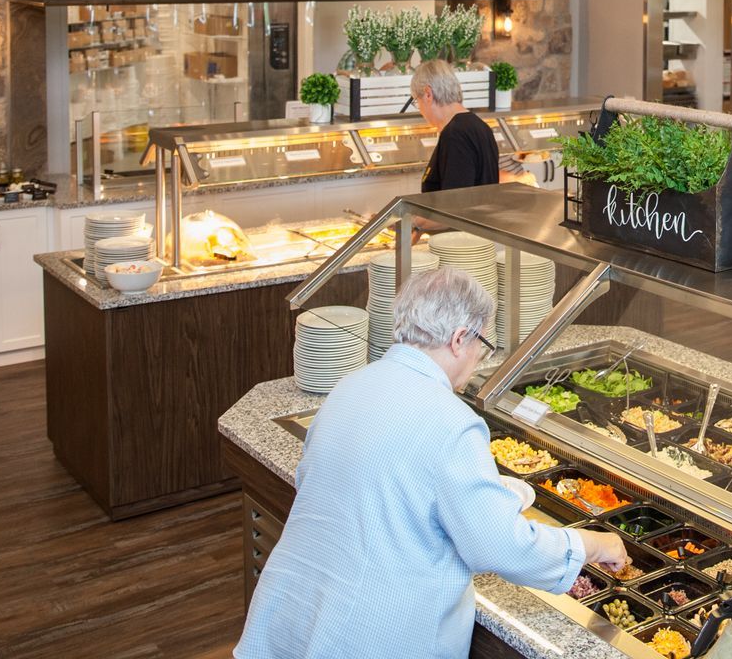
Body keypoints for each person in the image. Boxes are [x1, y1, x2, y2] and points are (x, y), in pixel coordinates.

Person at [236, 268, 629, 659]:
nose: (479, 359)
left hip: (296, 606)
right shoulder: (453, 421)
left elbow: (332, 480)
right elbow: (501, 546)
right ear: (460, 339)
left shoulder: (352, 384)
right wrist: (591, 544)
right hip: (370, 632)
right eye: (484, 346)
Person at [412, 58, 500, 192]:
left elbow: (454, 201)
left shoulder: (455, 134)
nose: (420, 110)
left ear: (428, 95)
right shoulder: (480, 126)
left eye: (417, 102)